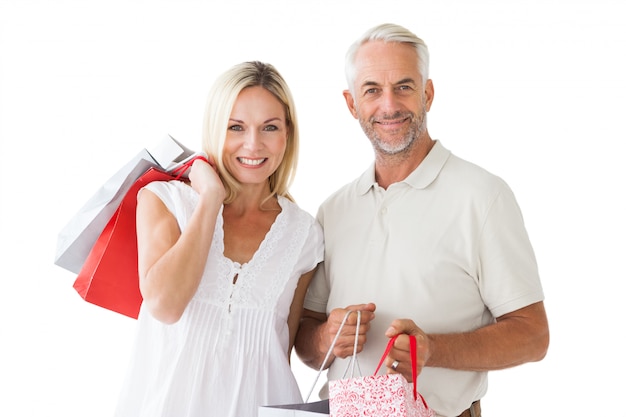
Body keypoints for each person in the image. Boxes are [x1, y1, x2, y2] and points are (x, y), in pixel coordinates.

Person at [294, 23, 549, 417]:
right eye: (372, 90)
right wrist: (326, 336)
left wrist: (434, 349)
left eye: (405, 86)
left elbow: (533, 335)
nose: (389, 105)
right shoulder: (333, 210)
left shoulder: (483, 196)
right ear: (351, 104)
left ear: (427, 93)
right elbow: (307, 341)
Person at [114, 61, 323, 417]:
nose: (253, 144)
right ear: (215, 128)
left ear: (288, 133)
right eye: (236, 127)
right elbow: (165, 306)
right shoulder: (165, 200)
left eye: (269, 127)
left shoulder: (304, 234)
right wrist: (210, 199)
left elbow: (280, 350)